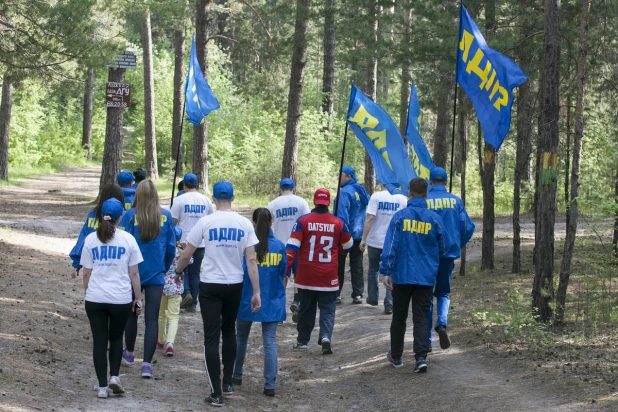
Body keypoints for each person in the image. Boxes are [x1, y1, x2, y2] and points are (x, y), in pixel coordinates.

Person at [174, 181, 261, 407]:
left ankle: (216, 392)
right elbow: (251, 259)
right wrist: (256, 292)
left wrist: (178, 272)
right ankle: (228, 382)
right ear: (232, 198)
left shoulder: (206, 221)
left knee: (211, 337)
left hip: (211, 284)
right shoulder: (244, 224)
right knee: (229, 330)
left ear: (213, 199)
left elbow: (186, 254)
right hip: (235, 284)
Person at [381, 178, 448, 373]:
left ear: (409, 192)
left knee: (399, 316)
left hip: (402, 275)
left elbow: (391, 245)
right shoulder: (435, 219)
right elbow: (443, 247)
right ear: (426, 194)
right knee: (421, 317)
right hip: (425, 276)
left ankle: (396, 355)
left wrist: (386, 270)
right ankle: (420, 357)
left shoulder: (400, 217)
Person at [80, 198, 143, 398]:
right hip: (120, 299)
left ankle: (101, 387)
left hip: (95, 298)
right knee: (116, 338)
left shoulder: (90, 239)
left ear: (101, 216)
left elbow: (86, 273)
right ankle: (114, 377)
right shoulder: (128, 239)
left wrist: (88, 292)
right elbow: (134, 274)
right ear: (121, 217)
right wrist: (138, 298)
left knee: (99, 341)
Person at [119, 180, 176, 378]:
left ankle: (129, 353)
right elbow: (171, 247)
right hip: (156, 273)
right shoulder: (165, 215)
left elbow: (123, 244)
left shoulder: (129, 215)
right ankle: (146, 364)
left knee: (131, 313)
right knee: (152, 318)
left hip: (132, 272)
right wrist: (164, 267)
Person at [287, 188, 353, 355]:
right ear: (328, 203)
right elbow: (349, 246)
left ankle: (302, 341)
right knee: (328, 308)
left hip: (306, 275)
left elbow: (291, 247)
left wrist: (286, 270)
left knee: (306, 308)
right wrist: (339, 249)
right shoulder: (339, 223)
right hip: (328, 275)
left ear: (314, 201)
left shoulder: (302, 221)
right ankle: (325, 337)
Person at [232, 208, 286, 397]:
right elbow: (283, 274)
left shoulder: (247, 247)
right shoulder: (280, 247)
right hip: (272, 299)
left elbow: (239, 270)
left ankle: (236, 375)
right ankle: (270, 384)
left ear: (253, 223)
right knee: (269, 341)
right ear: (271, 223)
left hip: (247, 296)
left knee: (240, 338)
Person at [425, 167, 475, 350]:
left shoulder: (425, 200)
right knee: (444, 293)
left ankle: (426, 340)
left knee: (427, 295)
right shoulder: (455, 201)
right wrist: (457, 242)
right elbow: (468, 227)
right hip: (447, 254)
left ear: (430, 182)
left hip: (427, 256)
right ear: (445, 182)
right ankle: (442, 324)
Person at [359, 182, 408, 314]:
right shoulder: (402, 198)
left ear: (382, 183)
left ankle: (373, 297)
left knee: (373, 269)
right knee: (391, 270)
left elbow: (370, 218)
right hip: (394, 241)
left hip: (375, 240)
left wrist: (363, 239)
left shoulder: (376, 196)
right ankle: (389, 302)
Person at [266, 178, 310, 321]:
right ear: (293, 188)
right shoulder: (301, 202)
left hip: (280, 246)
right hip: (297, 245)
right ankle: (297, 301)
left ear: (280, 189)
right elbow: (307, 223)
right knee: (299, 276)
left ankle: (278, 313)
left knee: (281, 278)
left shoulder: (273, 204)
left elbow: (266, 224)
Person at [170, 173, 215, 313]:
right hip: (200, 242)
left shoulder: (179, 200)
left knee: (183, 269)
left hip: (183, 240)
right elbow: (211, 219)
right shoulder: (206, 200)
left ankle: (186, 294)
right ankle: (193, 303)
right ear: (197, 184)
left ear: (184, 185)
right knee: (195, 272)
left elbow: (173, 222)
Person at [69, 184, 125, 279]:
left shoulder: (92, 215)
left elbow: (83, 239)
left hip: (96, 264)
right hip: (119, 265)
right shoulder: (124, 216)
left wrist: (77, 263)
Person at [334, 165, 369, 304]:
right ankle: (358, 294)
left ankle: (336, 293)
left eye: (341, 175)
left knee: (339, 264)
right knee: (357, 264)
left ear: (348, 176)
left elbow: (342, 216)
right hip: (358, 232)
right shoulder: (360, 190)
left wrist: (340, 233)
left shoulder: (344, 193)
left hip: (346, 233)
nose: (339, 178)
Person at [157, 226, 184, 357]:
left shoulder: (163, 250)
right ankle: (170, 343)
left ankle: (161, 339)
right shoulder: (181, 252)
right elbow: (190, 260)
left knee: (161, 314)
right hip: (176, 287)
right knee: (174, 316)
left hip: (161, 286)